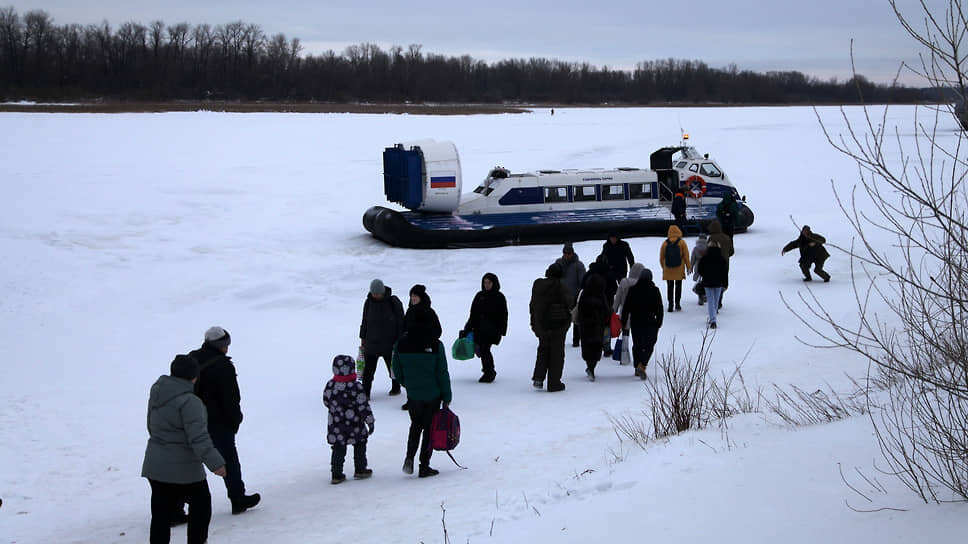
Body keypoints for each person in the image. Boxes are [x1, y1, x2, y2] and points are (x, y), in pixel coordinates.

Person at [142, 355, 227, 544]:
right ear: (194, 377)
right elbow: (198, 438)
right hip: (184, 468)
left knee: (160, 515)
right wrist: (216, 464)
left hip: (155, 466)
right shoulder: (190, 402)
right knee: (201, 506)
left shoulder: (158, 392)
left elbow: (151, 426)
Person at [189, 326, 260, 515]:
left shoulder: (191, 360)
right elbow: (230, 398)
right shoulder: (223, 365)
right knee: (229, 460)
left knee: (188, 462)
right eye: (226, 344)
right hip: (218, 422)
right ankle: (238, 498)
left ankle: (175, 508)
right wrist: (234, 420)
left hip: (192, 421)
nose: (228, 347)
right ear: (219, 345)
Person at [392, 288, 452, 478]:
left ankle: (409, 457)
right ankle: (424, 465)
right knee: (429, 429)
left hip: (414, 394)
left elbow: (396, 369)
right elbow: (442, 373)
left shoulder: (401, 343)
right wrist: (447, 396)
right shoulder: (436, 345)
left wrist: (407, 384)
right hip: (433, 394)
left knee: (415, 425)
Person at [323, 354, 375, 484]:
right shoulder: (356, 387)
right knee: (360, 444)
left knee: (338, 448)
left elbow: (326, 401)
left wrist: (336, 410)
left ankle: (336, 474)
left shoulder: (331, 385)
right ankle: (360, 469)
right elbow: (363, 406)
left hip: (336, 425)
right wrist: (370, 421)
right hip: (355, 425)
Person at [529, 263, 573, 392]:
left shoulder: (538, 285)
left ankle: (538, 378)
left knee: (543, 351)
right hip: (558, 325)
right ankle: (554, 383)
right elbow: (570, 302)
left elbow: (532, 305)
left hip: (541, 325)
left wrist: (535, 323)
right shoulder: (561, 287)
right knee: (556, 354)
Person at [359, 278, 406, 398]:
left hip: (389, 343)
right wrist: (362, 337)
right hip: (371, 343)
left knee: (393, 369)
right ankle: (365, 393)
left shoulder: (393, 302)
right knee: (368, 372)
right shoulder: (368, 302)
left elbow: (401, 322)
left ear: (383, 291)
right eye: (373, 293)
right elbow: (364, 321)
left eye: (378, 293)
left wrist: (400, 339)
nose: (375, 295)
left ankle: (396, 388)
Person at [463, 272, 508, 383]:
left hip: (492, 330)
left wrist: (501, 331)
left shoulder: (499, 297)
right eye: (485, 282)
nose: (487, 285)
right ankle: (488, 371)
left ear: (494, 283)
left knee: (485, 349)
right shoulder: (479, 295)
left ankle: (489, 372)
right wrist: (467, 327)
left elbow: (503, 315)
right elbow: (473, 313)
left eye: (489, 283)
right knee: (482, 350)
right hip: (479, 329)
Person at [620, 268, 664, 379]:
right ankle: (642, 364)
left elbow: (626, 307)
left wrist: (623, 321)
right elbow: (659, 308)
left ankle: (637, 366)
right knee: (649, 345)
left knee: (637, 345)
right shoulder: (654, 290)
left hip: (636, 322)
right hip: (650, 323)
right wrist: (659, 322)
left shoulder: (633, 290)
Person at [576, 274, 610, 381]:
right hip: (598, 326)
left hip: (585, 326)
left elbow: (580, 309)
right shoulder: (601, 295)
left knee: (587, 347)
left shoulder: (584, 294)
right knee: (596, 348)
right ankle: (591, 367)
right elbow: (606, 311)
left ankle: (589, 366)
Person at [583, 254, 618, 356]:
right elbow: (615, 289)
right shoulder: (610, 273)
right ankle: (606, 348)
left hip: (591, 303)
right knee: (606, 326)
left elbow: (583, 285)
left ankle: (594, 346)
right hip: (607, 303)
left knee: (593, 325)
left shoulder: (590, 272)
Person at [555, 243, 586, 347]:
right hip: (561, 296)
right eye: (565, 253)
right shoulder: (558, 263)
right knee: (560, 319)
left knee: (576, 319)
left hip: (574, 296)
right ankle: (559, 338)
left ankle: (576, 340)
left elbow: (583, 281)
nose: (566, 255)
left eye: (568, 253)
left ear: (572, 253)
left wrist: (579, 293)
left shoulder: (578, 265)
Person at [659, 225, 690, 312]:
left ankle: (670, 305)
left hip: (668, 269)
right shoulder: (682, 243)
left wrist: (664, 267)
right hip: (679, 268)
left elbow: (661, 258)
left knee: (670, 287)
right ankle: (677, 304)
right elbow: (686, 256)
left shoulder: (665, 243)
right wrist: (688, 266)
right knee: (678, 286)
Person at [697, 241, 729, 329]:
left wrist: (705, 276)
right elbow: (725, 272)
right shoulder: (722, 259)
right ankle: (713, 317)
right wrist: (725, 283)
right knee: (716, 301)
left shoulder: (705, 258)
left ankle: (713, 320)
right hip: (718, 283)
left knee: (710, 301)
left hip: (708, 282)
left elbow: (700, 270)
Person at [706, 220, 734, 309]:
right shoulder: (727, 238)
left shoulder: (711, 238)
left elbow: (707, 252)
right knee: (722, 283)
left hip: (713, 265)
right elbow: (731, 252)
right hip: (725, 265)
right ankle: (719, 301)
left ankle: (715, 302)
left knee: (714, 284)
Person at [689, 234, 709, 305]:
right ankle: (705, 295)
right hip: (706, 267)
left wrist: (691, 267)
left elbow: (693, 259)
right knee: (706, 282)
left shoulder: (696, 248)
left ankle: (700, 296)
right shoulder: (708, 247)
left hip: (698, 267)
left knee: (699, 282)